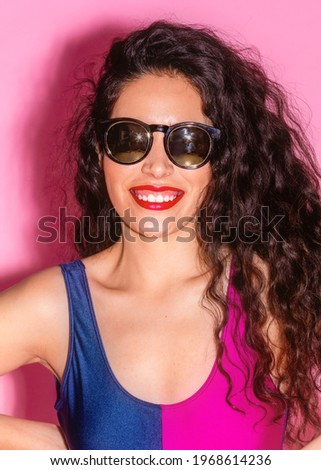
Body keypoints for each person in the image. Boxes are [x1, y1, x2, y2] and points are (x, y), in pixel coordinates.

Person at [1, 20, 321, 450]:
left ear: (222, 159)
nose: (155, 166)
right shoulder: (55, 307)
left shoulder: (272, 289)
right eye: (129, 139)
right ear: (100, 152)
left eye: (187, 142)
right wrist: (52, 450)